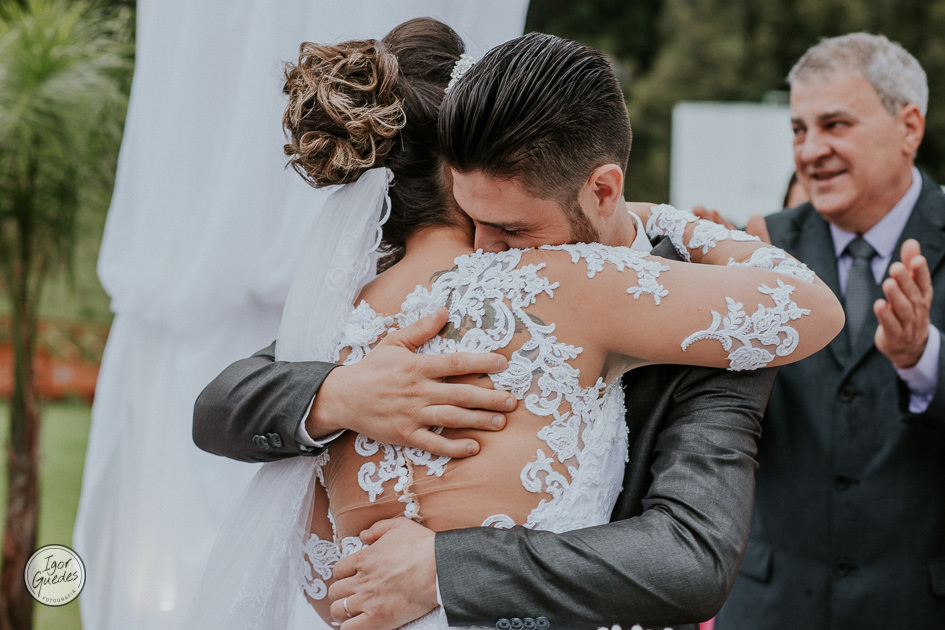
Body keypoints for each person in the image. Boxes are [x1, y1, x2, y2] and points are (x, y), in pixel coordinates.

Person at [192, 28, 840, 630]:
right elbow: (223, 405)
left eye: (511, 230)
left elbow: (687, 560)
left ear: (603, 191)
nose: (485, 252)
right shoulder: (402, 325)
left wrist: (443, 571)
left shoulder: (362, 308)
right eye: (472, 218)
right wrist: (337, 395)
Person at [711, 33, 945, 629]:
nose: (811, 150)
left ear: (909, 127)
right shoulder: (758, 248)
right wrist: (705, 315)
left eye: (834, 124)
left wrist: (922, 358)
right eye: (798, 129)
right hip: (773, 607)